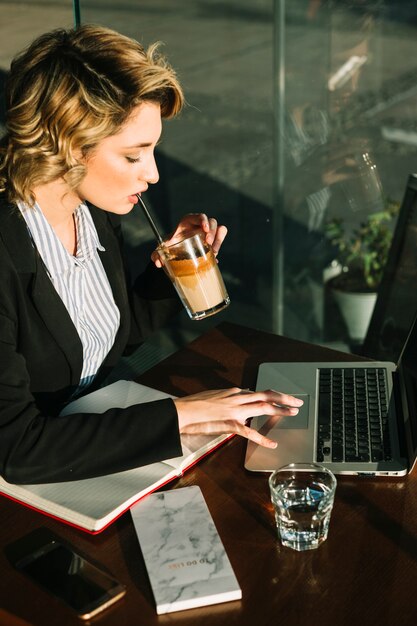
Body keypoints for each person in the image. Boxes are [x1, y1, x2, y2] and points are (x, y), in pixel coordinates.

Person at [0, 24, 303, 484]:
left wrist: (168, 274)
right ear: (67, 144)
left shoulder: (92, 213)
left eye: (153, 150)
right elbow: (18, 448)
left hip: (91, 440)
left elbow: (112, 339)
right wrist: (181, 414)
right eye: (133, 155)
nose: (154, 174)